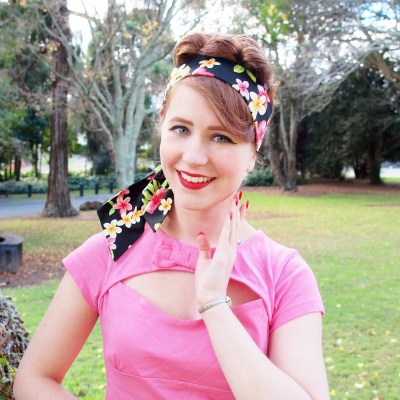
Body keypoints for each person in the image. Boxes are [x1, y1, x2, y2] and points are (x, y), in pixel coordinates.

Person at [14, 32, 330, 399]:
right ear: (162, 127)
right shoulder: (113, 248)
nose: (194, 156)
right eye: (181, 129)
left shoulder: (284, 275)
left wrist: (214, 305)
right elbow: (34, 379)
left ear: (252, 151)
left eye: (221, 137)